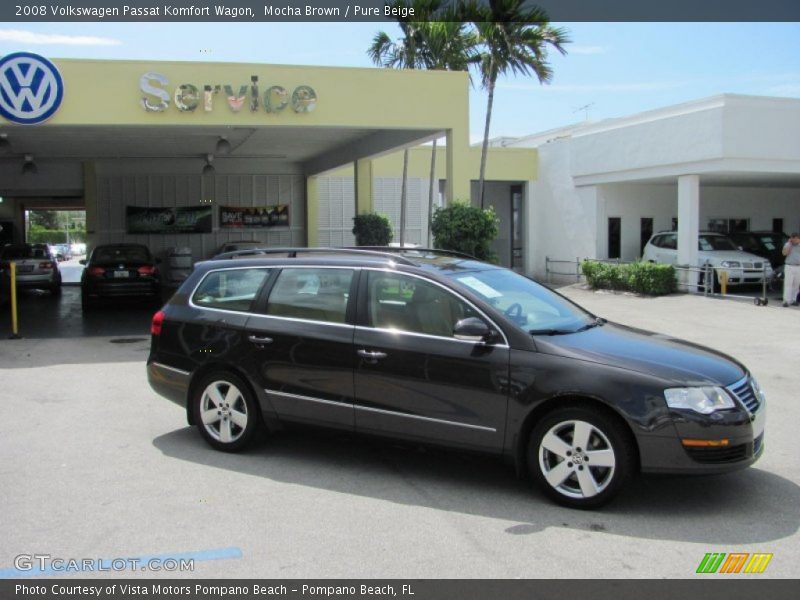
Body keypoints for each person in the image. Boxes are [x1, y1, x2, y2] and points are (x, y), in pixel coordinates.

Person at [782, 232, 800, 307]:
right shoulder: (788, 244)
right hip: (789, 266)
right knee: (788, 284)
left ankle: (794, 300)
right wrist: (789, 244)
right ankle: (786, 301)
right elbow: (784, 253)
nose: (794, 240)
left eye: (795, 239)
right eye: (793, 238)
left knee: (796, 284)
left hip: (798, 266)